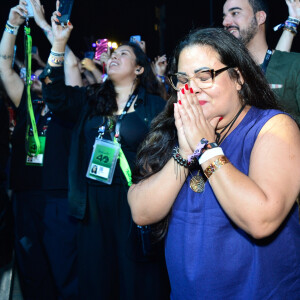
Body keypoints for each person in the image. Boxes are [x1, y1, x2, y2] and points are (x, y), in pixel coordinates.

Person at [128, 27, 300, 299]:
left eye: (205, 76)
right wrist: (185, 153)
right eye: (182, 78)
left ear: (238, 78)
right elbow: (141, 211)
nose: (191, 87)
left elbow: (261, 220)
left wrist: (206, 149)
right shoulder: (177, 131)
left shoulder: (273, 127)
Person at [40, 8, 170, 300]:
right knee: (97, 281)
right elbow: (55, 95)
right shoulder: (90, 100)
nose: (114, 56)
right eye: (113, 54)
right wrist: (59, 44)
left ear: (139, 68)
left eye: (123, 54)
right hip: (92, 206)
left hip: (134, 202)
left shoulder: (153, 107)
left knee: (136, 280)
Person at [0, 1, 80, 298]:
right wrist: (13, 25)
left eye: (48, 73)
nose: (42, 77)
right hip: (25, 195)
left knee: (64, 273)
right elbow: (4, 67)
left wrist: (45, 24)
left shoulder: (70, 106)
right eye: (39, 74)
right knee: (32, 274)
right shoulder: (26, 103)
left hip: (59, 197)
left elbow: (70, 64)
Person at [223, 0, 300, 124]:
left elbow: (275, 66)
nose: (225, 22)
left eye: (235, 13)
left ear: (260, 18)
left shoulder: (294, 64)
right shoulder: (223, 71)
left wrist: (293, 21)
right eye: (224, 16)